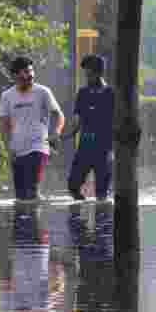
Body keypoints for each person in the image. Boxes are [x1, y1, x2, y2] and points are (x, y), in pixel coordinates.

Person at [0, 56, 65, 201]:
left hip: (38, 146)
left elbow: (59, 115)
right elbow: (4, 125)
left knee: (32, 189)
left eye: (31, 71)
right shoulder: (7, 96)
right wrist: (8, 148)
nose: (30, 75)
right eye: (25, 73)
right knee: (21, 196)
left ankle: (37, 219)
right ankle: (27, 219)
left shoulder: (43, 92)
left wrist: (56, 132)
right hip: (17, 149)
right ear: (15, 76)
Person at [65, 54, 114, 201]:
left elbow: (117, 121)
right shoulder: (83, 93)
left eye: (90, 73)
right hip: (85, 146)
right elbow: (77, 119)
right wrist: (67, 135)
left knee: (101, 192)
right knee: (73, 186)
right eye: (86, 73)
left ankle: (102, 219)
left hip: (104, 148)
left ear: (99, 73)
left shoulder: (110, 93)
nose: (87, 77)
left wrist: (114, 148)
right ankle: (79, 217)